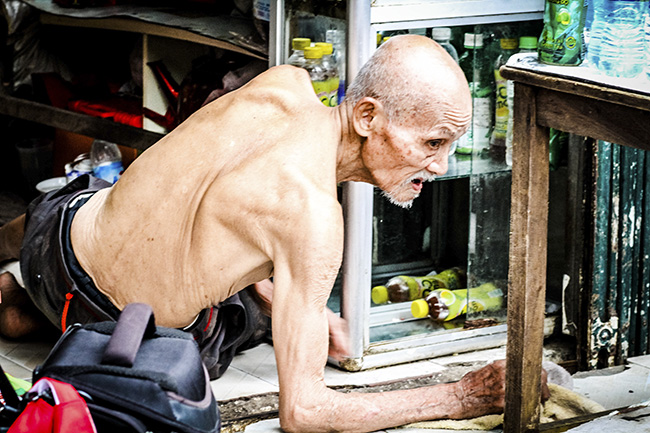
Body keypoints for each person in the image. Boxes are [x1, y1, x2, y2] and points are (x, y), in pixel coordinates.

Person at [0, 35, 548, 432]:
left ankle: (21, 290)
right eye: (432, 144)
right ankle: (26, 312)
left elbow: (221, 201)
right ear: (366, 115)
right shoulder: (312, 218)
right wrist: (459, 396)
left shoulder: (285, 84)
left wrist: (296, 297)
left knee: (89, 201)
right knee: (232, 323)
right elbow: (304, 414)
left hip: (57, 228)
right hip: (110, 327)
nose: (441, 166)